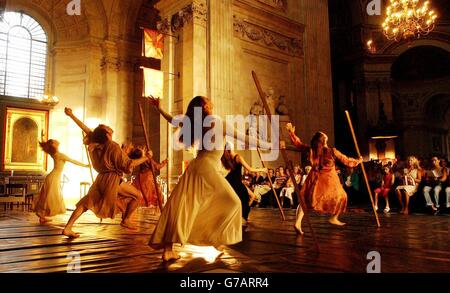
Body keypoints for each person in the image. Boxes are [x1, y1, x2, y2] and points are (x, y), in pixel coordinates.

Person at [146, 96, 272, 262]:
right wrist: (270, 145)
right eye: (208, 101)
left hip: (197, 166)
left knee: (182, 206)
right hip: (205, 167)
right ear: (205, 106)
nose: (211, 101)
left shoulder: (197, 123)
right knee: (233, 202)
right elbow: (245, 138)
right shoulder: (217, 122)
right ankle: (214, 238)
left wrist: (159, 108)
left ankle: (170, 249)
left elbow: (173, 120)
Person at [62, 108, 152, 238]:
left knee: (86, 203)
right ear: (106, 134)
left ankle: (68, 227)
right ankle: (126, 220)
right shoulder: (113, 146)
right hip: (112, 179)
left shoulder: (95, 142)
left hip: (100, 179)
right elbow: (129, 165)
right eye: (107, 128)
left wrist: (71, 115)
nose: (109, 128)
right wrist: (146, 157)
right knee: (137, 195)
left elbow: (85, 128)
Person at [285, 123, 362, 235]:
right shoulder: (332, 151)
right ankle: (334, 218)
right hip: (328, 179)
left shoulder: (312, 150)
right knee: (342, 196)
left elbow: (298, 144)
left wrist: (291, 133)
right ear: (324, 141)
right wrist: (358, 161)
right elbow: (347, 161)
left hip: (314, 177)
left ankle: (298, 222)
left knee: (305, 200)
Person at [33, 139, 89, 224]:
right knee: (49, 196)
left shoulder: (53, 154)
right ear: (53, 144)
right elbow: (73, 161)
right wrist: (85, 165)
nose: (57, 141)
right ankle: (41, 214)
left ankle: (42, 216)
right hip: (53, 177)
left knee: (47, 196)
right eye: (55, 141)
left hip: (53, 176)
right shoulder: (59, 155)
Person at [221, 142, 267, 225]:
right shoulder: (238, 157)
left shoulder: (228, 158)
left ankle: (239, 216)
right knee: (244, 198)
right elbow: (250, 169)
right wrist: (262, 169)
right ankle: (242, 217)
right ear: (232, 147)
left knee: (243, 198)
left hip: (230, 180)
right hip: (235, 181)